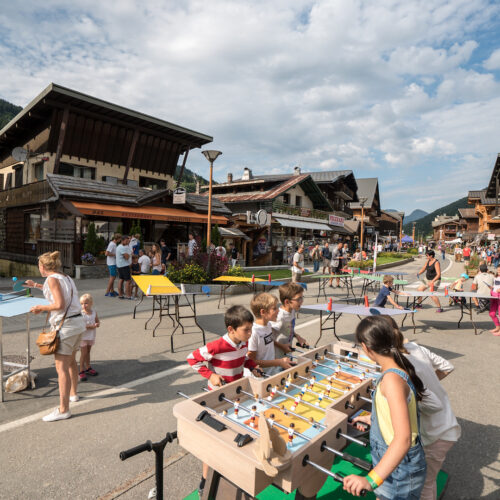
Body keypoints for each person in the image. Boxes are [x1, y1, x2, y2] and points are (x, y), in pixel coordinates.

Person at [343, 316, 427, 498]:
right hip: (395, 465)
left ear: (366, 347)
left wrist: (370, 480)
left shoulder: (391, 381)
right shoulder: (398, 369)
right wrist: (372, 418)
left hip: (400, 469)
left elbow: (403, 438)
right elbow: (397, 414)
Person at [380, 316, 461, 500]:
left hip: (435, 434)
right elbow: (447, 366)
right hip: (446, 426)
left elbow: (427, 406)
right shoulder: (414, 347)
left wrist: (419, 391)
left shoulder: (398, 368)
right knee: (427, 482)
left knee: (425, 485)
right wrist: (429, 383)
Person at [187, 305, 263, 498]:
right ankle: (205, 480)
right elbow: (191, 358)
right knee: (213, 441)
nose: (250, 333)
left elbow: (243, 360)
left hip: (235, 397)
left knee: (234, 436)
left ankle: (234, 475)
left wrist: (253, 366)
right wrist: (210, 374)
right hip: (217, 400)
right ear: (231, 329)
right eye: (246, 329)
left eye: (251, 329)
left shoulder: (243, 343)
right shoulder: (217, 346)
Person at [25, 251, 86, 422]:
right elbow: (60, 294)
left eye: (39, 266)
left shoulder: (51, 279)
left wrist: (40, 308)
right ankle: (73, 394)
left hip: (66, 327)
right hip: (78, 325)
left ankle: (64, 410)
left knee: (61, 369)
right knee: (72, 362)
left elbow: (59, 304)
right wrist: (36, 285)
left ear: (43, 267)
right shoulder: (64, 276)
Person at [248, 292, 294, 375]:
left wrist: (278, 360)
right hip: (260, 376)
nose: (278, 310)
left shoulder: (268, 324)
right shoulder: (254, 333)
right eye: (274, 308)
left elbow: (268, 343)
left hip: (271, 371)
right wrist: (278, 362)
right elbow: (252, 361)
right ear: (263, 312)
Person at [270, 283, 308, 357]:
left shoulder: (292, 310)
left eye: (302, 297)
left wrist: (297, 336)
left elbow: (288, 328)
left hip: (287, 353)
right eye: (298, 299)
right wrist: (282, 347)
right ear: (287, 302)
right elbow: (267, 337)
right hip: (277, 357)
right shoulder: (279, 317)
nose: (302, 301)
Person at [79, 293, 100, 382]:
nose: (84, 305)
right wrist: (91, 326)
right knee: (83, 353)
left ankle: (88, 367)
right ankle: (81, 370)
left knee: (88, 352)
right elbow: (80, 325)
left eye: (86, 303)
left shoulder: (94, 312)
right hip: (83, 337)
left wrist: (97, 324)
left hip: (91, 336)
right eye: (82, 304)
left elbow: (97, 321)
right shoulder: (81, 314)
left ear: (91, 303)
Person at [116, 235, 132, 299]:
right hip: (124, 265)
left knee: (121, 279)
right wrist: (129, 254)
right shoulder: (122, 247)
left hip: (119, 265)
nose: (128, 242)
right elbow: (127, 257)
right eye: (127, 241)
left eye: (128, 241)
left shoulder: (119, 247)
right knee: (128, 281)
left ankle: (120, 295)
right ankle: (128, 295)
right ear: (123, 240)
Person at [488, 267, 500, 335]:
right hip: (494, 295)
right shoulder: (496, 276)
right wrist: (492, 288)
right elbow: (497, 285)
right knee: (492, 313)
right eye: (498, 269)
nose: (498, 271)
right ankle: (497, 327)